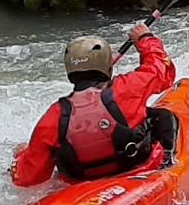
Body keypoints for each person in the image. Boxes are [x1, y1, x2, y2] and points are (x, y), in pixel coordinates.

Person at [12, 22, 176, 187]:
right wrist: (145, 39)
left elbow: (29, 177)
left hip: (81, 184)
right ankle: (169, 161)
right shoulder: (128, 88)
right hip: (138, 169)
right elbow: (161, 70)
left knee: (56, 153)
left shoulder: (54, 116)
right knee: (162, 116)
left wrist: (23, 156)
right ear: (109, 69)